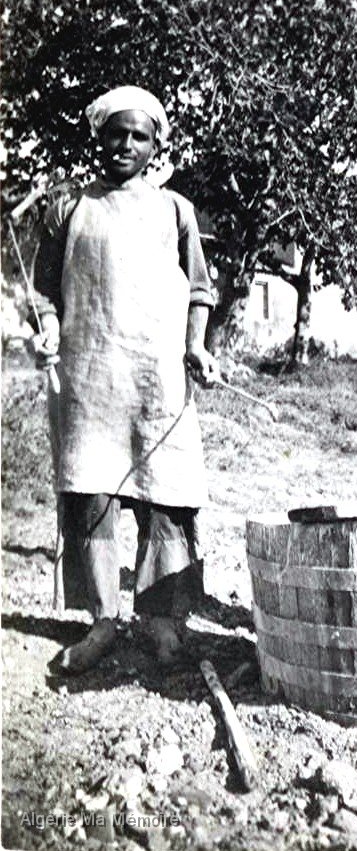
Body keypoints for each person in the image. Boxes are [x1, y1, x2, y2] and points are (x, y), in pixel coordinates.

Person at [31, 85, 220, 673]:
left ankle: (161, 621)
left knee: (165, 498)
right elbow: (45, 292)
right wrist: (49, 329)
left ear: (154, 145)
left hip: (156, 377)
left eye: (139, 136)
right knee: (93, 496)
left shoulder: (174, 210)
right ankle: (104, 622)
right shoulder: (70, 207)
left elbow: (198, 291)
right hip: (90, 375)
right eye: (116, 133)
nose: (126, 145)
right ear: (99, 138)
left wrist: (196, 348)